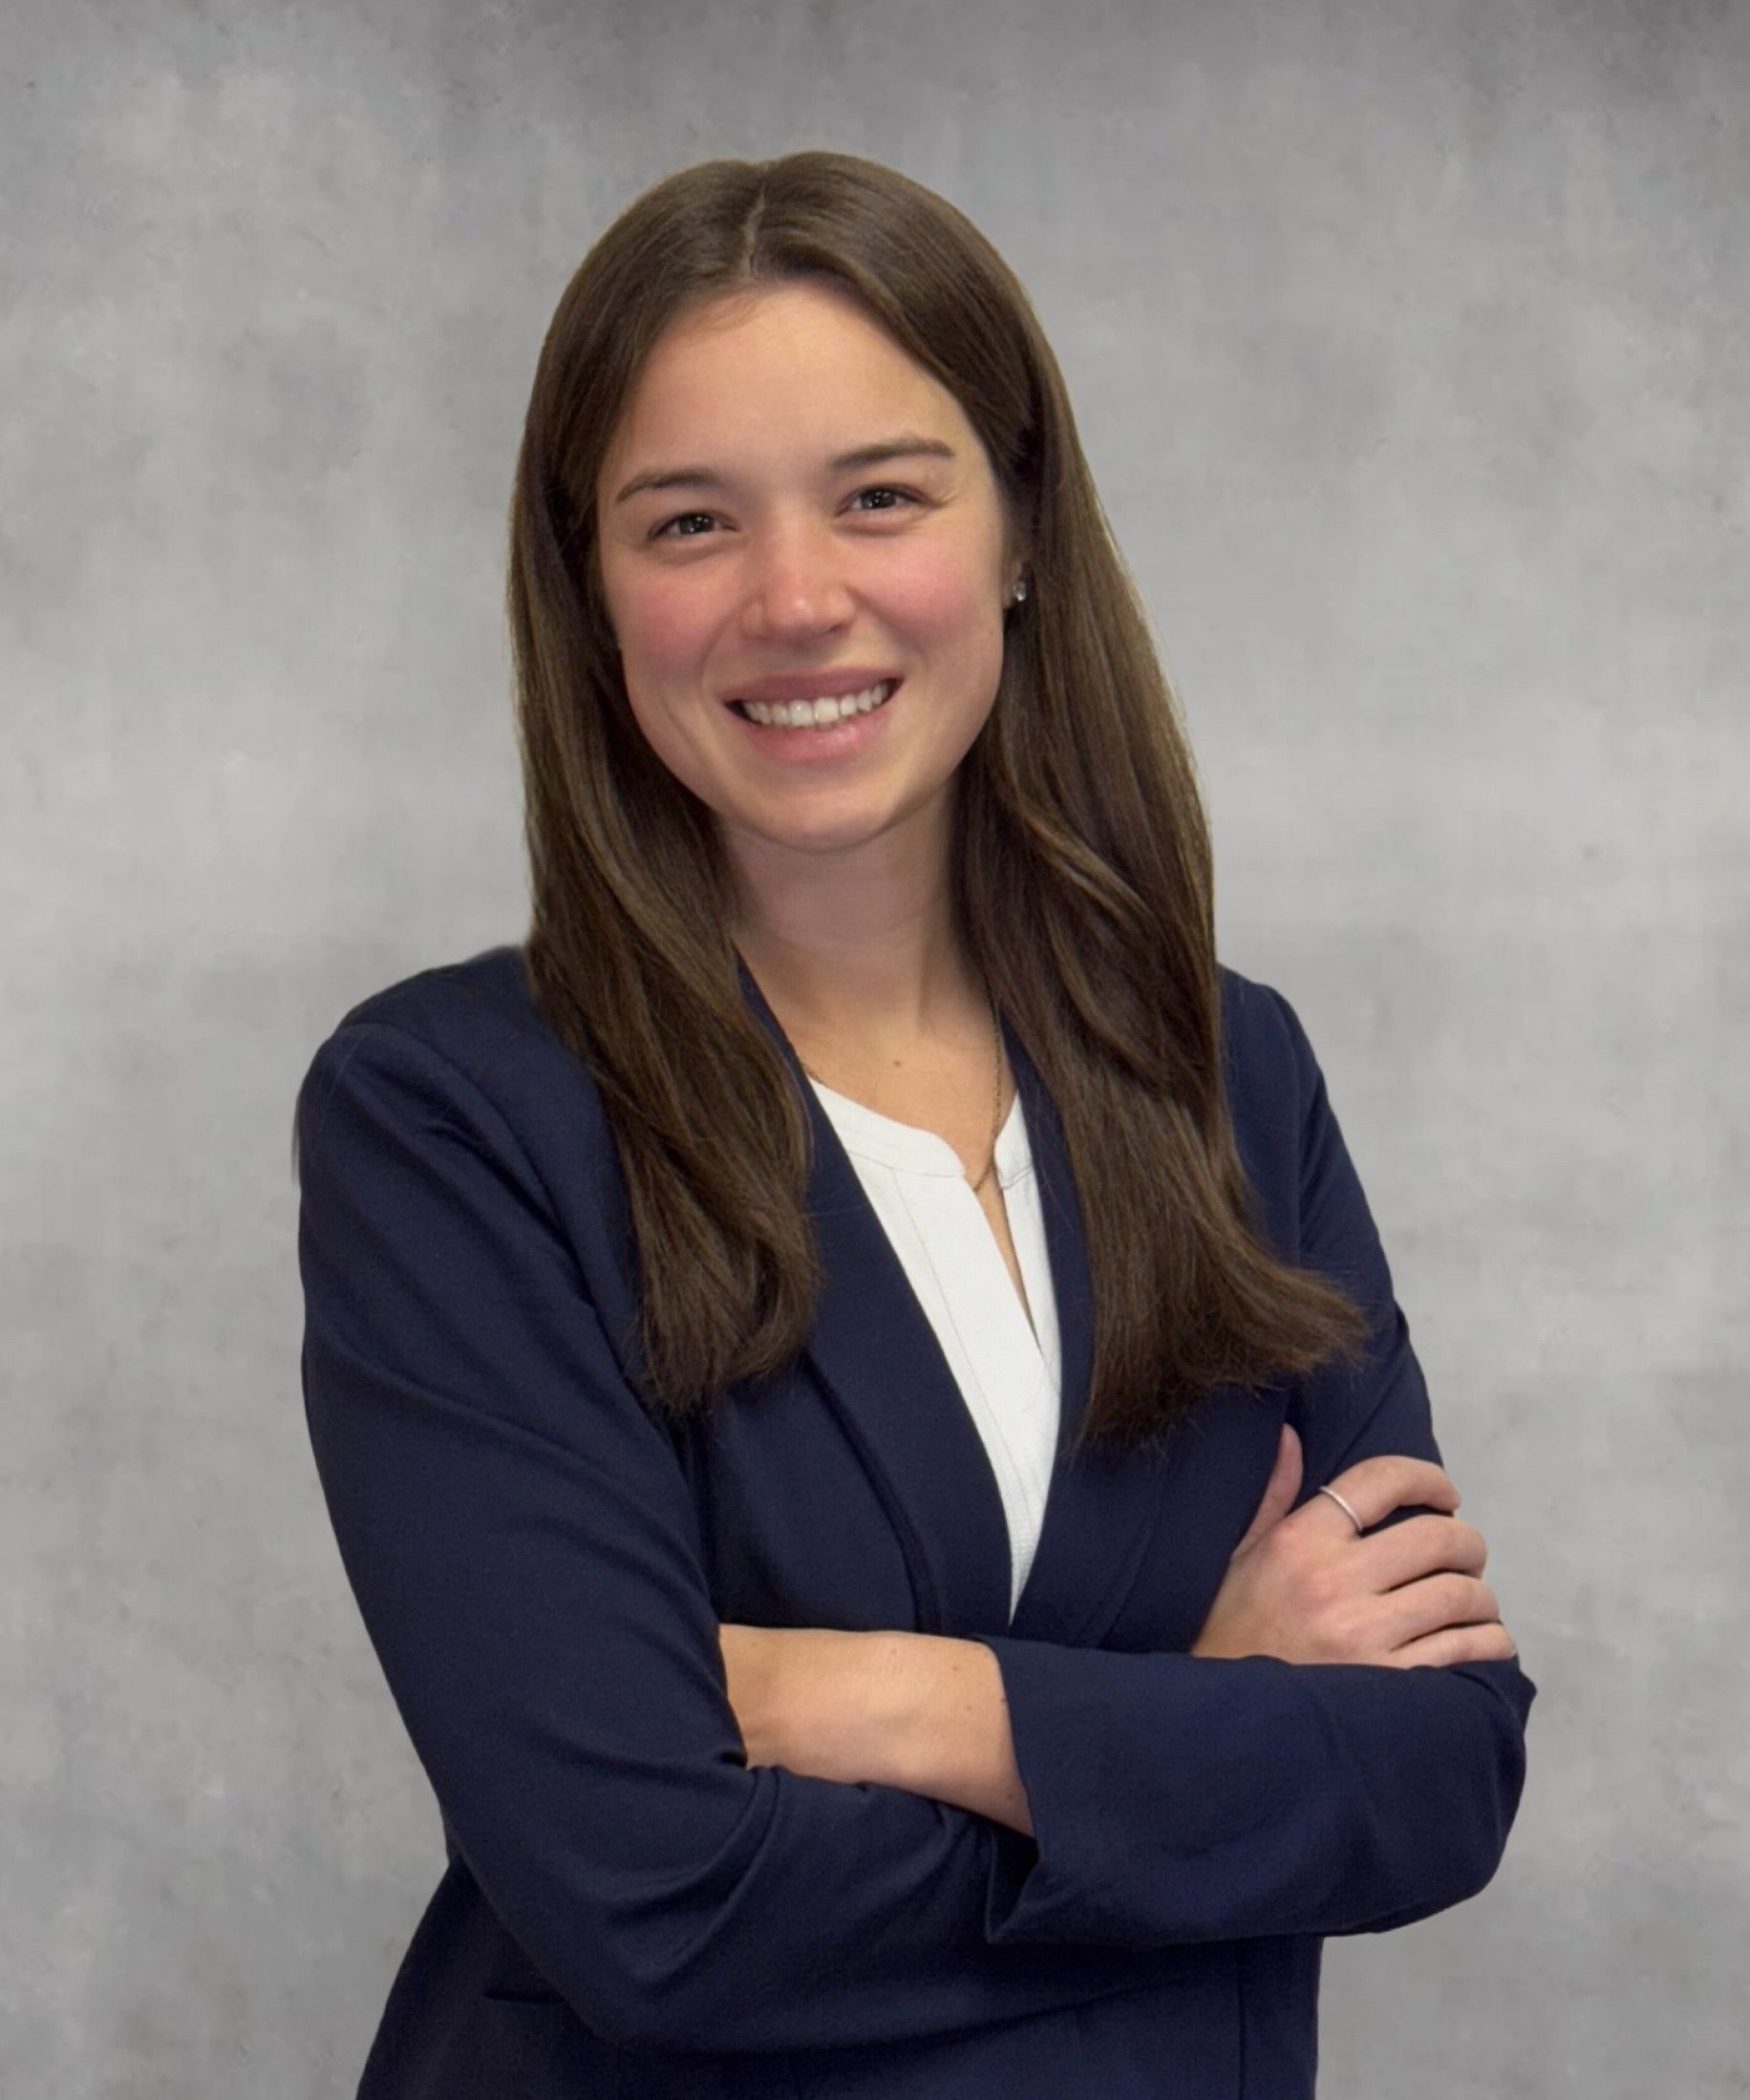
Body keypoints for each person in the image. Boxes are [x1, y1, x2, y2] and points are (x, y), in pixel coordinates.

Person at [293, 149, 1535, 2099]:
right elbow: (656, 1898)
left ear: (1022, 528)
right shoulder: (457, 1117)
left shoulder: (1227, 1072)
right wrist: (1197, 1732)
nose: (796, 600)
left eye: (881, 494)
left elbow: (1439, 1771)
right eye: (686, 521)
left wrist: (885, 1697)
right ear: (590, 586)